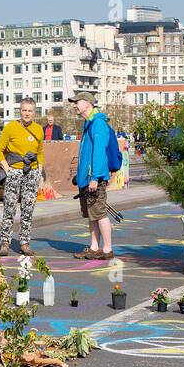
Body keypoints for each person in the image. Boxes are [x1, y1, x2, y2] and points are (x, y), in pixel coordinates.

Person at [0, 98, 45, 257]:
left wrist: (40, 172)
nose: (27, 113)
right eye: (24, 110)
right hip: (14, 172)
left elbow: (40, 153)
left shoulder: (38, 129)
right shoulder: (11, 127)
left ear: (34, 113)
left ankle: (24, 243)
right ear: (20, 111)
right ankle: (5, 242)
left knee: (28, 209)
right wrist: (7, 168)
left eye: (30, 110)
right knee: (9, 208)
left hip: (32, 172)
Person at [69, 91, 116, 260]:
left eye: (77, 102)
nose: (75, 105)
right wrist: (80, 175)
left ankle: (107, 249)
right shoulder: (89, 123)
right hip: (87, 179)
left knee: (100, 213)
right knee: (92, 214)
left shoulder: (98, 124)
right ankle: (94, 247)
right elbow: (86, 154)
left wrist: (95, 178)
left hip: (94, 179)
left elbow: (98, 153)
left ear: (87, 103)